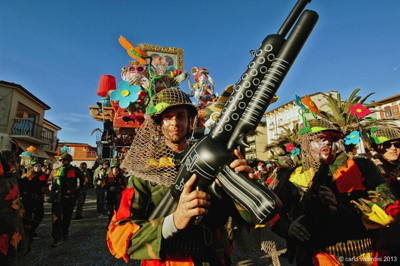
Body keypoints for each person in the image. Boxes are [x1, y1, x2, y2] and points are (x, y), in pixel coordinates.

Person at [107, 88, 265, 264]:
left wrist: (243, 186)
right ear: (159, 123)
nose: (175, 122)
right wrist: (174, 221)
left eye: (180, 116)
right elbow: (119, 237)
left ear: (190, 121)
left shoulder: (210, 161)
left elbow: (248, 219)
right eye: (167, 117)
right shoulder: (145, 173)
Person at [270, 119, 398, 265]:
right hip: (314, 258)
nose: (325, 143)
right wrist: (288, 228)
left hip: (361, 257)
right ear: (304, 145)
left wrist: (343, 206)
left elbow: (389, 209)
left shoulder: (360, 165)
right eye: (317, 139)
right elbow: (273, 212)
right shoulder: (292, 176)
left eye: (330, 138)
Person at [369, 126, 400, 264]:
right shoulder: (371, 169)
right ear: (377, 148)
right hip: (388, 237)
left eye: (397, 144)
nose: (393, 148)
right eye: (387, 145)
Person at [48, 153, 83, 247]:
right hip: (57, 198)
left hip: (69, 197)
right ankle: (56, 237)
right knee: (56, 218)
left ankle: (64, 232)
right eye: (61, 160)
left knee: (67, 217)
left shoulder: (75, 170)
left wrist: (78, 191)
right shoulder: (55, 170)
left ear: (69, 160)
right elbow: (49, 181)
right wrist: (50, 186)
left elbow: (83, 180)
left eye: (65, 160)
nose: (62, 162)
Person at [0, 151, 25, 265]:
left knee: (15, 252)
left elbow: (17, 199)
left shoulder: (12, 178)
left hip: (14, 223)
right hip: (4, 225)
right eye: (12, 162)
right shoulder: (2, 182)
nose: (14, 164)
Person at [18, 158, 47, 242]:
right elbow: (22, 187)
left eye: (39, 166)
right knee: (28, 217)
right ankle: (27, 234)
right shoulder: (26, 176)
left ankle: (32, 230)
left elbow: (44, 185)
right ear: (32, 167)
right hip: (28, 200)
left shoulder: (42, 175)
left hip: (39, 200)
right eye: (36, 166)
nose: (37, 167)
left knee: (40, 215)